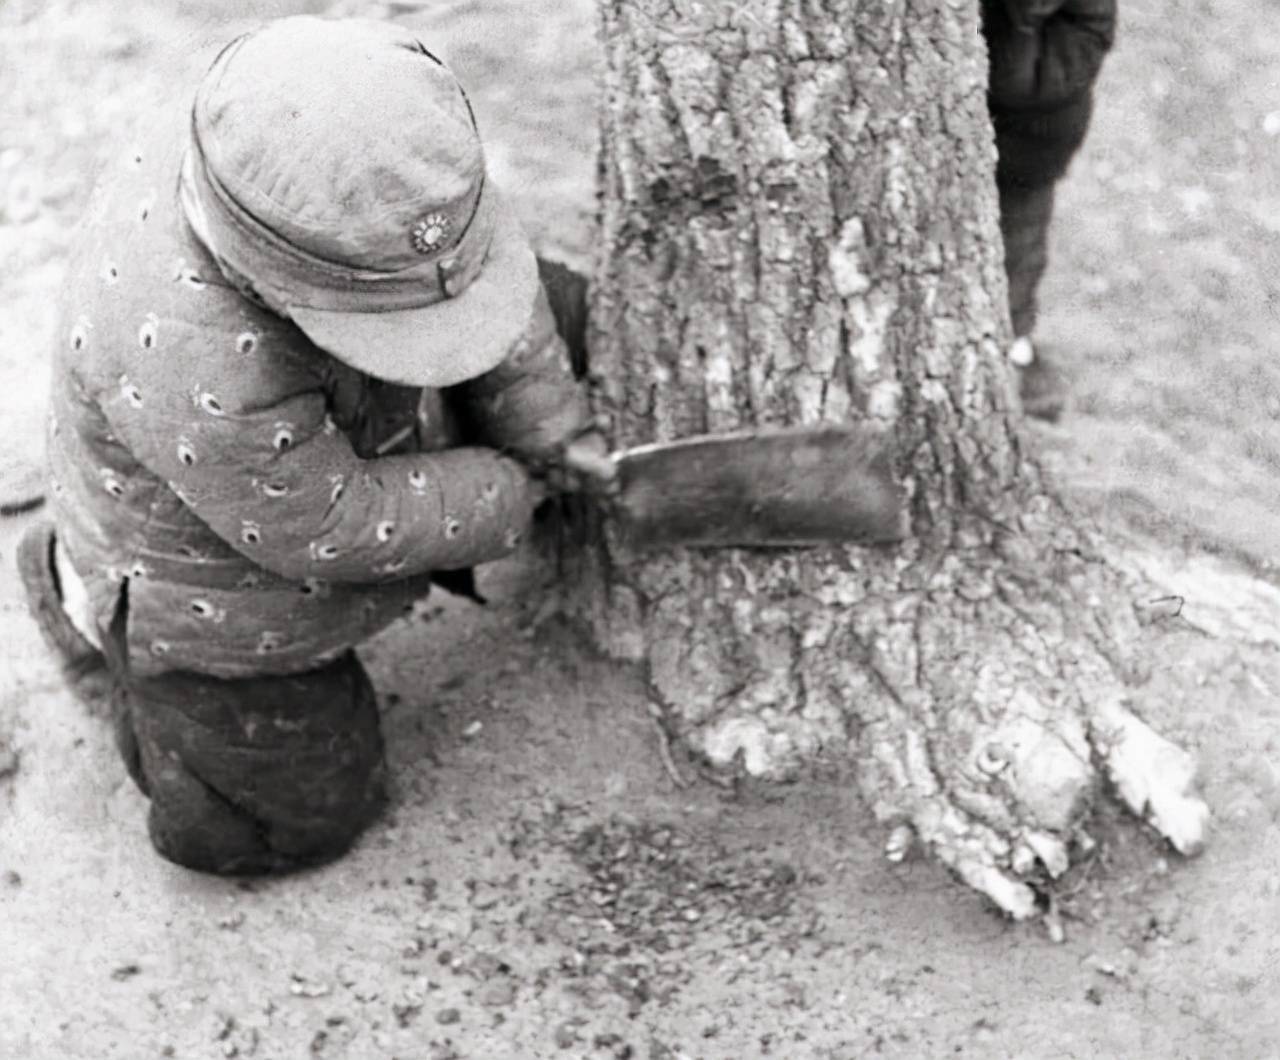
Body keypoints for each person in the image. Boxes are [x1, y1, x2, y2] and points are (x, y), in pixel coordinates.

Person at [16, 16, 609, 876]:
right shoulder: (194, 356)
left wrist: (553, 424)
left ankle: (441, 380)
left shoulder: (396, 169)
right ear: (260, 274)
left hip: (340, 416)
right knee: (291, 812)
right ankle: (84, 601)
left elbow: (493, 283)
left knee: (560, 303)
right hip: (216, 586)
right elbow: (328, 524)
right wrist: (516, 487)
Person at [983, 0, 1118, 420]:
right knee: (1018, 239)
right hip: (1021, 123)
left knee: (1019, 241)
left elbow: (1014, 80)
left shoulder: (1064, 22)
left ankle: (1015, 347)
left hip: (1031, 140)